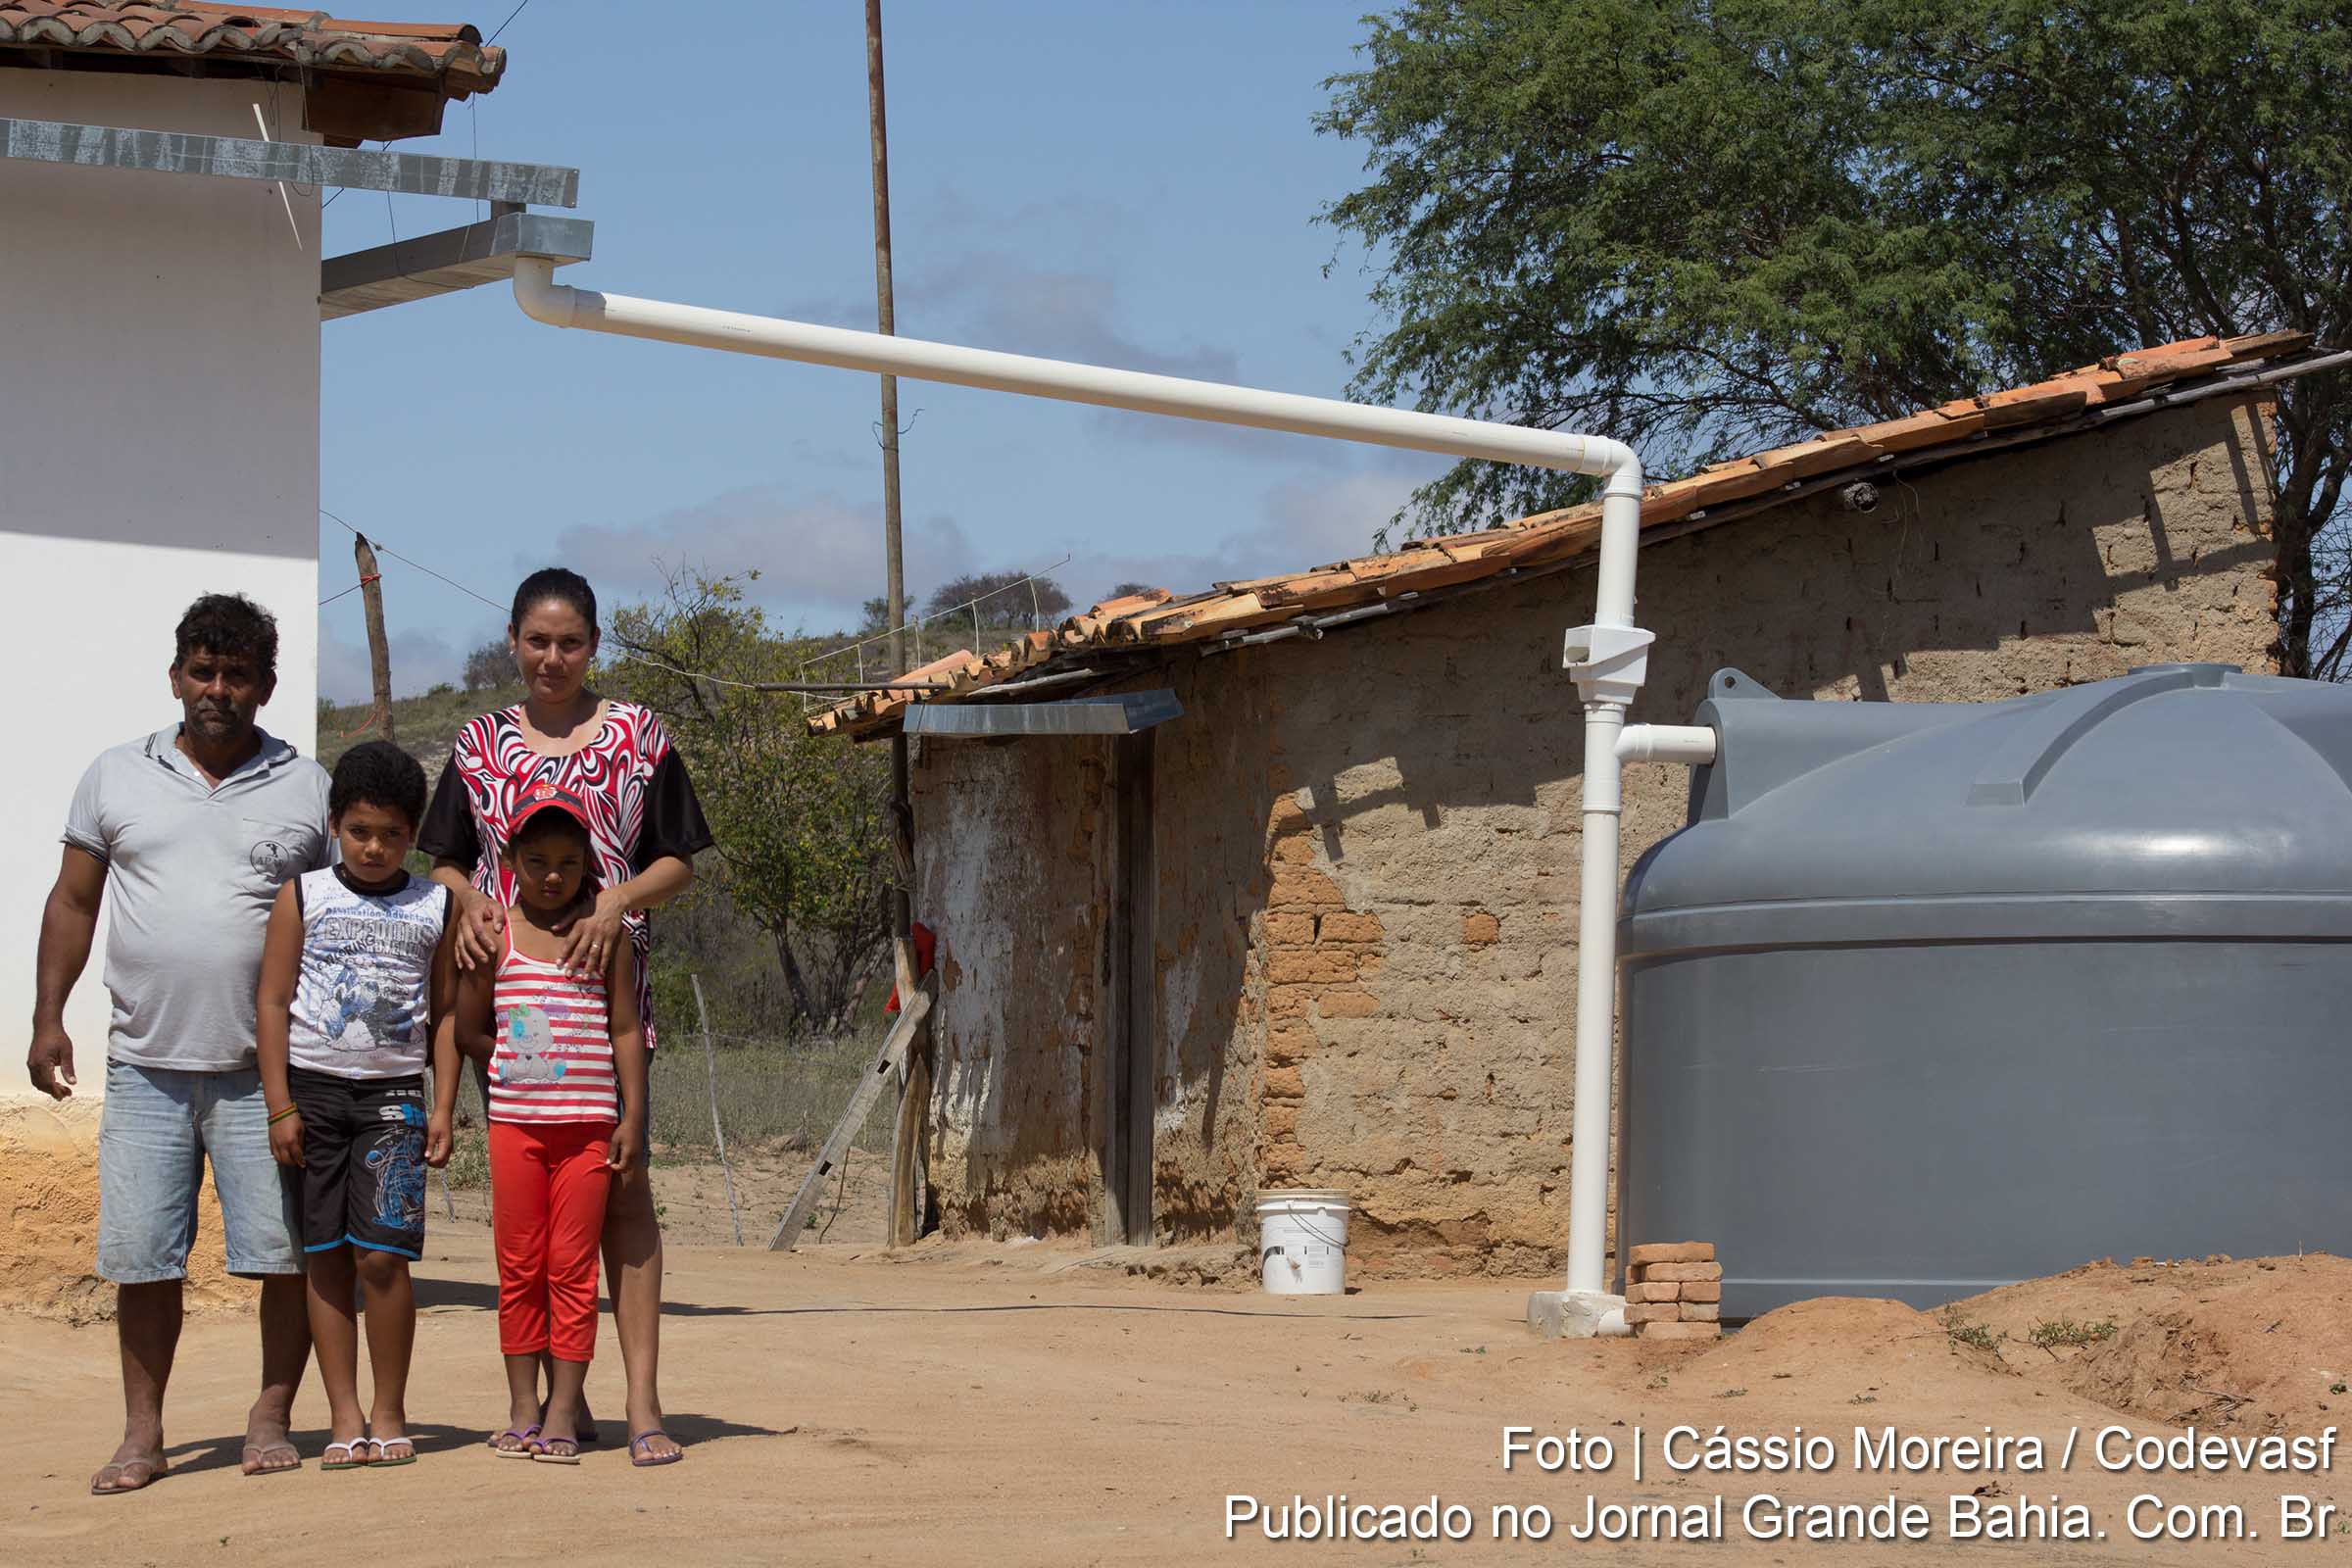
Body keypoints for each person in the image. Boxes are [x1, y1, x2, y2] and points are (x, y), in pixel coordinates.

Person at [26, 594, 330, 1494]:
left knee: (283, 1255)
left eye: (238, 675)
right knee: (144, 1260)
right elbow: (73, 902)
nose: (219, 690)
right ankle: (142, 1435)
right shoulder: (115, 775)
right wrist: (49, 1017)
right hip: (146, 1067)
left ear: (266, 687)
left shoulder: (307, 788)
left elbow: (341, 917)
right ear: (175, 677)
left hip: (262, 1076)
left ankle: (270, 1416)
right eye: (203, 671)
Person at [418, 566, 710, 1467]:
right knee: (536, 1223)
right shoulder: (477, 745)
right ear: (513, 641)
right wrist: (469, 902)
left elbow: (681, 861)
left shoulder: (637, 735)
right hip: (515, 1016)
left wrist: (618, 898)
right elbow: (443, 861)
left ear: (595, 646)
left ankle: (644, 1403)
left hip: (611, 1008)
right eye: (537, 642)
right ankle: (551, 1405)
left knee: (624, 1195)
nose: (553, 659)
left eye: (570, 642)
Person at [256, 741, 459, 1468]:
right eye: (360, 831)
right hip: (312, 1096)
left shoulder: (435, 904)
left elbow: (444, 1016)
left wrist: (443, 1107)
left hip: (396, 1100)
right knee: (326, 1256)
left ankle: (390, 1409)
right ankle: (343, 1415)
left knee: (383, 1258)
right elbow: (273, 1001)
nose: (376, 848)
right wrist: (280, 1104)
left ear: (414, 833)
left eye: (394, 834)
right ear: (335, 822)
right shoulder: (303, 895)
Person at [453, 782, 648, 1464]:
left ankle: (565, 1409)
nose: (553, 876)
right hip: (517, 1129)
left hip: (589, 1130)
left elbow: (625, 1028)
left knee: (570, 1268)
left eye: (568, 861)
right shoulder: (494, 934)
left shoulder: (604, 937)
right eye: (537, 862)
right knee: (519, 1267)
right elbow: (470, 1028)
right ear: (510, 861)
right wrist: (510, 1055)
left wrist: (632, 1116)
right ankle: (522, 1407)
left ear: (588, 862)